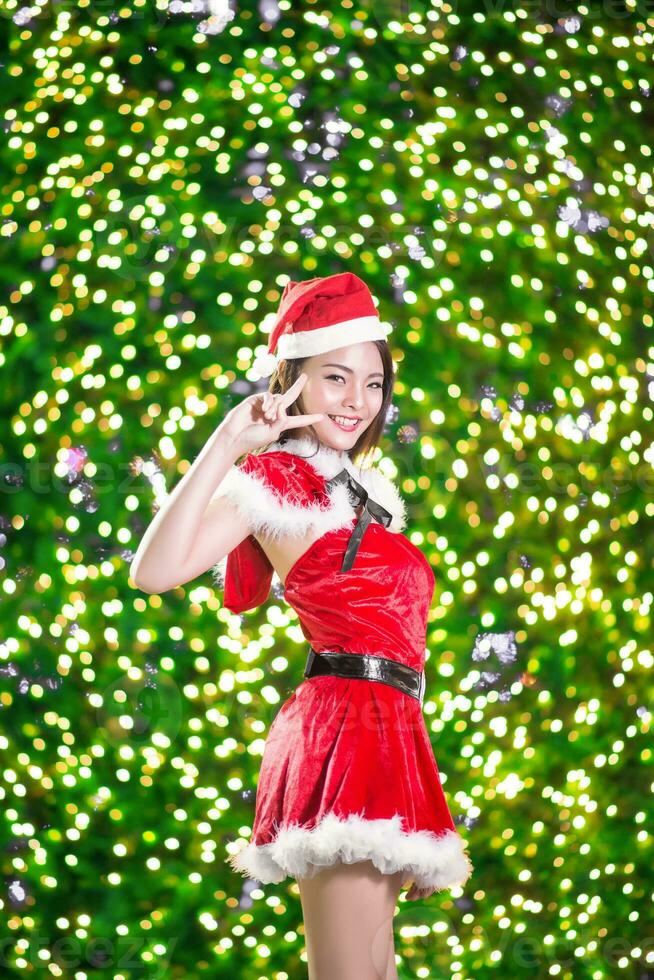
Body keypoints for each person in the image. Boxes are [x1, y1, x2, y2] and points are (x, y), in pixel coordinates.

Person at [130, 272, 473, 980]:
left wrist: (408, 778)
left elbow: (398, 651)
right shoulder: (277, 482)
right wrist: (228, 441)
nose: (357, 402)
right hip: (341, 735)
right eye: (336, 378)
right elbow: (154, 572)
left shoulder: (365, 495)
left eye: (372, 383)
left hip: (388, 736)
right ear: (294, 381)